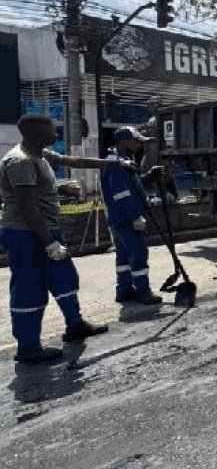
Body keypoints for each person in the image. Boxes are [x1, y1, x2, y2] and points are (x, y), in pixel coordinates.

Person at [0, 115, 133, 364]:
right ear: (36, 132)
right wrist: (49, 243)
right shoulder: (21, 161)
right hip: (27, 233)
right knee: (30, 288)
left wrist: (114, 164)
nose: (56, 134)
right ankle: (28, 347)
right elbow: (26, 207)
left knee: (65, 279)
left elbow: (76, 161)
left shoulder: (40, 155)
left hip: (45, 229)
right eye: (51, 130)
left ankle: (75, 325)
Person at [100, 126, 164, 305]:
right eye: (136, 141)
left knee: (123, 256)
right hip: (125, 218)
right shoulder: (114, 164)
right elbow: (121, 194)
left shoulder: (123, 161)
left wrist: (149, 176)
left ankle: (124, 290)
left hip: (120, 218)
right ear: (124, 141)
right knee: (138, 253)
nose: (138, 145)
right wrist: (135, 216)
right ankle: (143, 291)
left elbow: (134, 186)